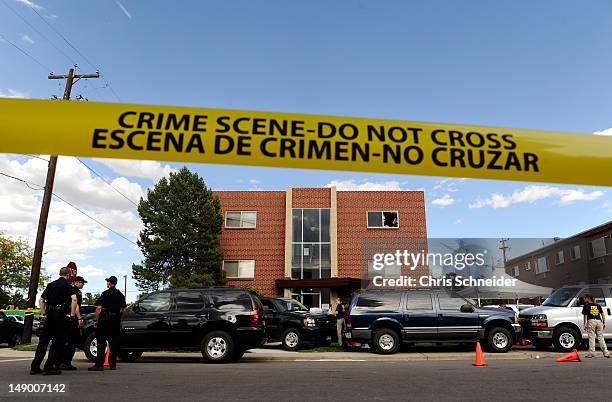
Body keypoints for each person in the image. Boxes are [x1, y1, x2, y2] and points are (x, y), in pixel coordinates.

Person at [30, 266, 78, 375]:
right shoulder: (68, 285)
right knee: (58, 342)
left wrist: (43, 313)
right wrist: (71, 314)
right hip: (60, 315)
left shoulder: (51, 285)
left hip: (50, 315)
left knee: (43, 341)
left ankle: (35, 367)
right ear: (68, 275)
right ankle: (49, 366)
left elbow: (41, 300)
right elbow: (74, 299)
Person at [89, 276, 126, 371]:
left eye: (107, 282)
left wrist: (95, 320)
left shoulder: (105, 294)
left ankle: (99, 365)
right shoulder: (120, 295)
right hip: (115, 320)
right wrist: (118, 316)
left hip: (105, 320)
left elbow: (98, 308)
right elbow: (123, 309)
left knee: (101, 342)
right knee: (113, 343)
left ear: (109, 283)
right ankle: (112, 364)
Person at [61, 275, 87, 370]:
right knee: (72, 341)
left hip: (64, 317)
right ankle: (66, 363)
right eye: (82, 282)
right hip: (72, 318)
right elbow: (76, 305)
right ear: (76, 282)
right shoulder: (76, 292)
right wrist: (79, 318)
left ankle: (61, 362)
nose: (83, 284)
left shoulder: (69, 289)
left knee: (64, 340)